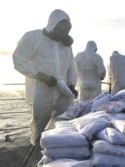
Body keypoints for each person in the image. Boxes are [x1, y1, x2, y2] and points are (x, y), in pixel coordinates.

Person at [12, 9, 78, 145]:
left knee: (67, 122)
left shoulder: (65, 45)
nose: (65, 33)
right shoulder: (33, 37)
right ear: (54, 25)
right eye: (63, 29)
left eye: (67, 30)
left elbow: (72, 66)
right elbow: (18, 59)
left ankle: (61, 154)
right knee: (40, 126)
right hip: (41, 93)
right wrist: (41, 76)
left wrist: (71, 85)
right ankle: (38, 152)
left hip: (63, 93)